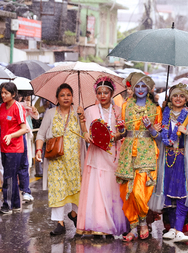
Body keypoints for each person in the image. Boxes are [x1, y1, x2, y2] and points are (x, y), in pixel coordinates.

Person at [76, 76, 129, 237]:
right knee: (97, 189)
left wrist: (115, 137)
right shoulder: (89, 110)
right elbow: (85, 130)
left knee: (111, 188)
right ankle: (98, 225)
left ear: (112, 93)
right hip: (96, 154)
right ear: (96, 94)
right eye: (99, 92)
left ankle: (112, 224)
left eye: (106, 92)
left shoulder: (119, 111)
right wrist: (85, 133)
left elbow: (123, 132)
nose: (103, 95)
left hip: (113, 154)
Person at [150, 83, 188, 243]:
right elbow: (161, 139)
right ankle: (172, 228)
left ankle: (179, 228)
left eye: (181, 96)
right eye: (175, 95)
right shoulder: (163, 114)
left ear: (186, 99)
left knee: (183, 195)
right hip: (166, 160)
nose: (178, 98)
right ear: (170, 98)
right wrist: (152, 130)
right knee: (168, 195)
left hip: (183, 160)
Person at [115, 72, 162, 242]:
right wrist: (120, 129)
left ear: (148, 89)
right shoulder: (126, 106)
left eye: (144, 86)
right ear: (133, 88)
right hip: (128, 152)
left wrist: (150, 127)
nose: (141, 89)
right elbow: (123, 131)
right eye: (138, 86)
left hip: (146, 151)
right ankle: (133, 226)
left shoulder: (156, 108)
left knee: (138, 191)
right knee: (125, 192)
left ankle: (143, 221)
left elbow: (158, 136)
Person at [35, 83, 86, 235]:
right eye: (62, 95)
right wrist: (38, 149)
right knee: (57, 190)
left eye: (68, 95)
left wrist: (83, 118)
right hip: (56, 161)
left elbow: (86, 134)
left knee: (77, 189)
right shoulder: (50, 113)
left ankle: (75, 215)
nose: (65, 97)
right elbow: (41, 135)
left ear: (72, 97)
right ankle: (60, 223)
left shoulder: (78, 112)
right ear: (57, 98)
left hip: (75, 162)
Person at [0, 82, 27, 214]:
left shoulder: (18, 108)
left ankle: (7, 205)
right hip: (4, 147)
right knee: (10, 175)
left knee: (9, 177)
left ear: (14, 94)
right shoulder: (2, 107)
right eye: (2, 92)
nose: (3, 95)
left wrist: (11, 136)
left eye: (6, 93)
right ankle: (15, 204)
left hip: (15, 148)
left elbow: (25, 129)